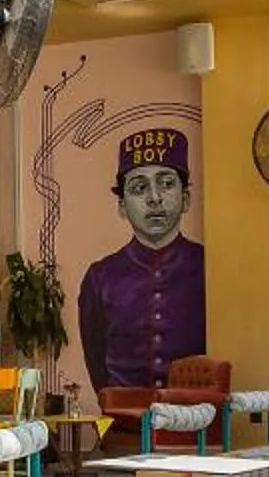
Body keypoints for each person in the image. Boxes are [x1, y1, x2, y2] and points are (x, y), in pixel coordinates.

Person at [77, 125, 206, 393]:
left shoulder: (209, 266)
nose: (155, 198)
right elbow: (97, 364)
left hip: (196, 425)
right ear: (122, 206)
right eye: (139, 188)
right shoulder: (101, 277)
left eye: (167, 184)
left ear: (185, 199)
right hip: (126, 426)